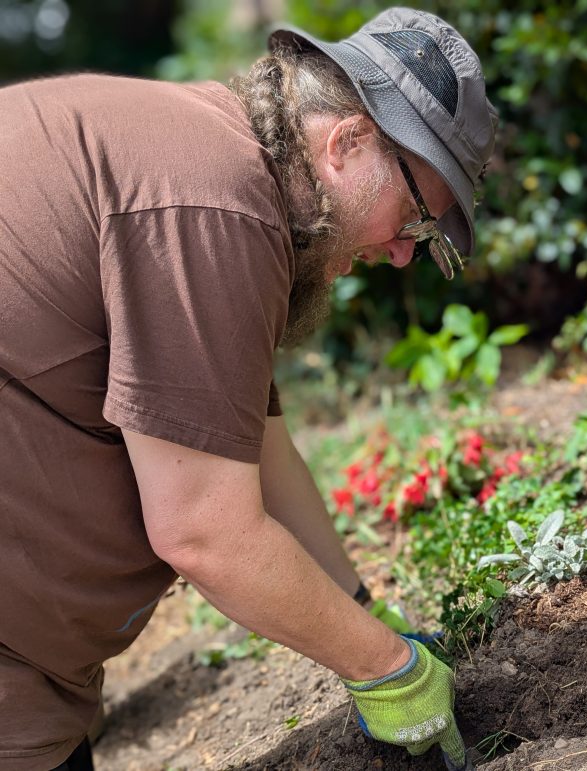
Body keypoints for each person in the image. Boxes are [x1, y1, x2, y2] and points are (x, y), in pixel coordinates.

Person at [0, 7, 497, 770]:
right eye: (418, 217)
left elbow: (259, 449)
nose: (402, 253)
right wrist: (385, 668)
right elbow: (204, 528)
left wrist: (365, 616)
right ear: (349, 142)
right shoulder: (213, 205)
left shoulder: (212, 164)